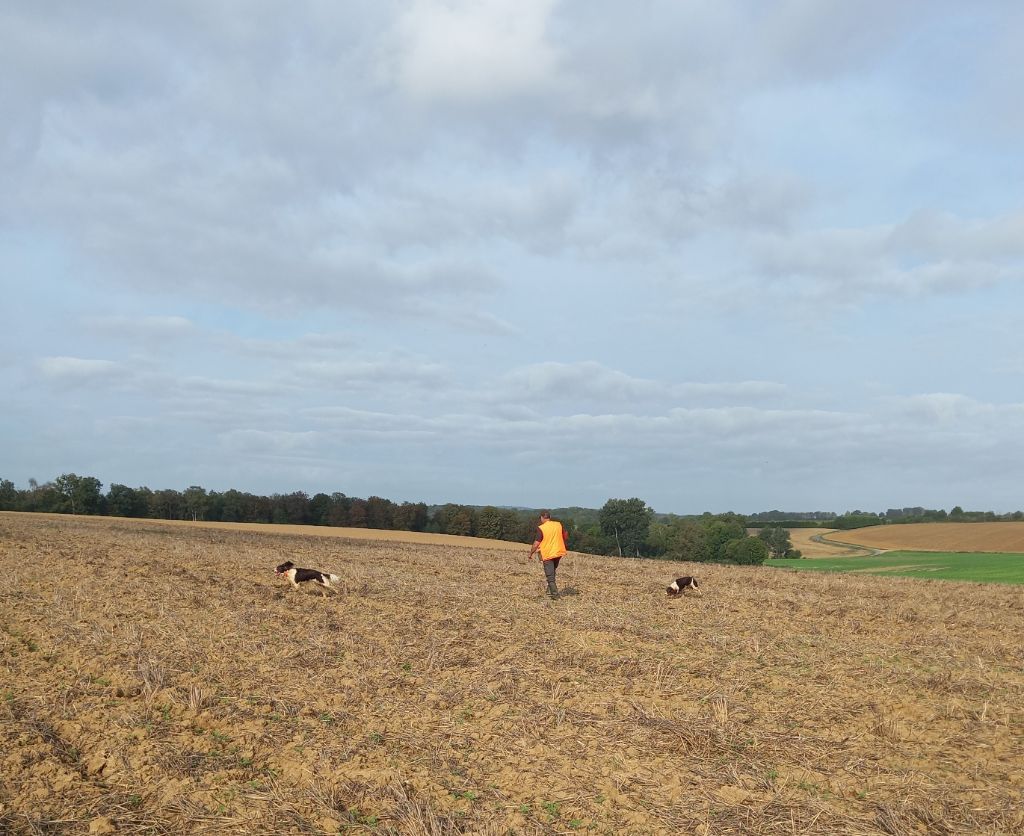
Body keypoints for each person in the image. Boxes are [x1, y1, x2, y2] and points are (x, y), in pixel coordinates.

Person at [528, 511, 568, 598]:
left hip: (548, 553)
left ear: (542, 517)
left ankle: (555, 595)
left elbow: (536, 543)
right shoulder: (558, 524)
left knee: (549, 574)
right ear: (550, 517)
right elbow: (565, 535)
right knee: (552, 571)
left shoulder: (542, 528)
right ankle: (549, 590)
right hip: (558, 552)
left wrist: (531, 553)